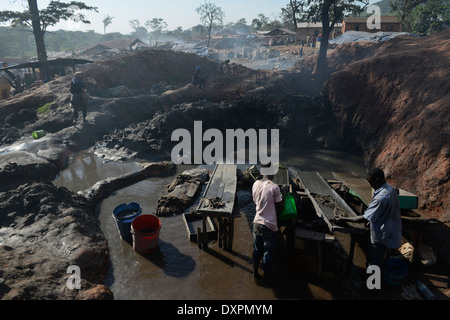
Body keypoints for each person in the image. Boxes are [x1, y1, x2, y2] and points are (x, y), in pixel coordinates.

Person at [336, 167, 402, 268]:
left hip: (382, 236)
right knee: (375, 259)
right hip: (391, 229)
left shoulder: (381, 198)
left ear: (377, 180)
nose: (370, 185)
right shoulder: (390, 189)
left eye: (370, 182)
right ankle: (372, 280)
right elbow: (383, 211)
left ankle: (373, 283)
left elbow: (365, 218)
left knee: (373, 263)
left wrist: (344, 218)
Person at [252, 163, 288, 281]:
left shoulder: (255, 184)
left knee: (257, 250)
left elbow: (256, 202)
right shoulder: (274, 187)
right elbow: (280, 208)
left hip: (256, 223)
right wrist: (284, 196)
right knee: (268, 252)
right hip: (269, 225)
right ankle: (266, 277)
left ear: (262, 172)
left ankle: (255, 273)